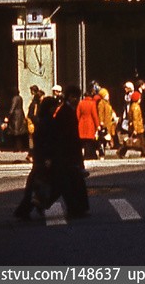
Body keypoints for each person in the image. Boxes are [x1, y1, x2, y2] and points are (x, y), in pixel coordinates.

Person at [48, 86, 89, 218]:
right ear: (67, 97)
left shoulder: (69, 110)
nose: (76, 99)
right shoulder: (65, 111)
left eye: (77, 97)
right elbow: (64, 134)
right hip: (66, 152)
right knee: (69, 183)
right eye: (73, 97)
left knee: (71, 182)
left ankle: (78, 208)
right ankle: (76, 208)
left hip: (69, 152)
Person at [117, 92, 145, 158]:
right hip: (138, 127)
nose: (140, 99)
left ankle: (122, 152)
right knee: (141, 141)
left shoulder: (133, 106)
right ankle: (144, 153)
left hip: (136, 127)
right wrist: (135, 129)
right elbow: (135, 119)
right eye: (139, 98)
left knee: (134, 141)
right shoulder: (136, 107)